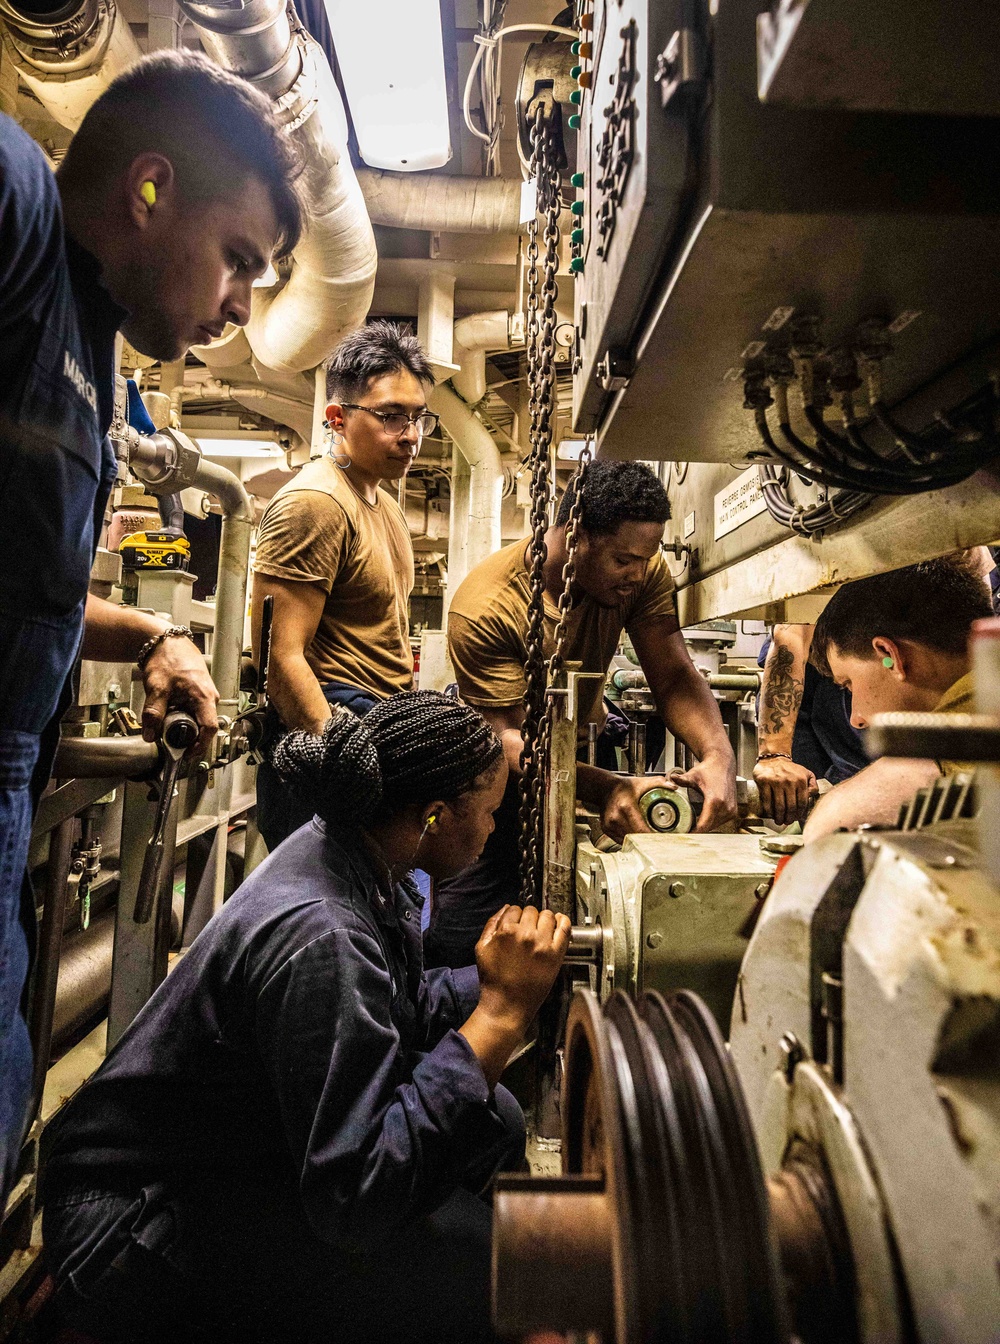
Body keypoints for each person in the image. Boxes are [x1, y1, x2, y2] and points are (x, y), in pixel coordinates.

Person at [0, 49, 303, 1202]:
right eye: (238, 260)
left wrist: (154, 638)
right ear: (150, 187)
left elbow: (27, 599)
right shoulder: (24, 218)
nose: (237, 304)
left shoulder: (85, 340)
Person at [42, 691, 569, 1343]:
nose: (493, 831)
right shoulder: (325, 936)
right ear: (434, 817)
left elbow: (393, 1008)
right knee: (493, 1290)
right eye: (490, 814)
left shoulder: (352, 850)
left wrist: (515, 979)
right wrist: (501, 1013)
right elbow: (354, 1198)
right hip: (132, 1226)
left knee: (494, 1124)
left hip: (227, 1170)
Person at [426, 459, 737, 969]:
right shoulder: (485, 607)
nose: (638, 574)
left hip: (573, 763)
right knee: (467, 944)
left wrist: (718, 754)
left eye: (646, 558)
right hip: (492, 792)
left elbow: (674, 674)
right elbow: (512, 746)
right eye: (623, 560)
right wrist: (609, 787)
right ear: (573, 538)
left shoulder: (641, 571)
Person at [251, 321, 436, 850]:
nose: (411, 433)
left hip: (377, 721)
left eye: (418, 416)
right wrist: (346, 761)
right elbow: (280, 661)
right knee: (326, 921)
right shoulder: (316, 503)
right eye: (391, 416)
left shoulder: (387, 507)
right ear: (337, 418)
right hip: (331, 737)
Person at [801, 559, 993, 842]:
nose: (856, 718)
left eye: (849, 685)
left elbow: (831, 831)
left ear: (890, 656)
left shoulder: (978, 720)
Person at [753, 624, 868, 827]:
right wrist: (775, 755)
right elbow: (790, 632)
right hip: (798, 686)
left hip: (860, 673)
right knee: (810, 803)